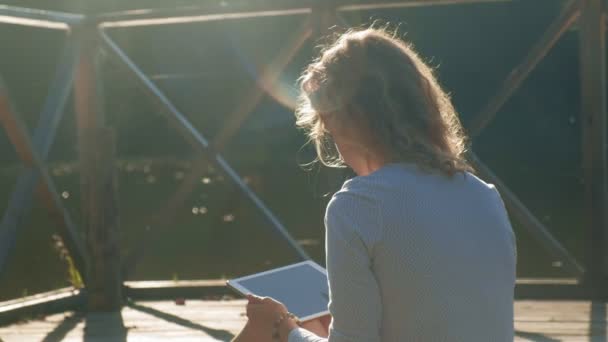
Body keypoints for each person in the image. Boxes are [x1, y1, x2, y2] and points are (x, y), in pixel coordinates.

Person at [233, 26, 517, 342]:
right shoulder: (484, 196)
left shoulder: (359, 205)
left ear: (345, 122)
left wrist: (285, 328)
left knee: (261, 329)